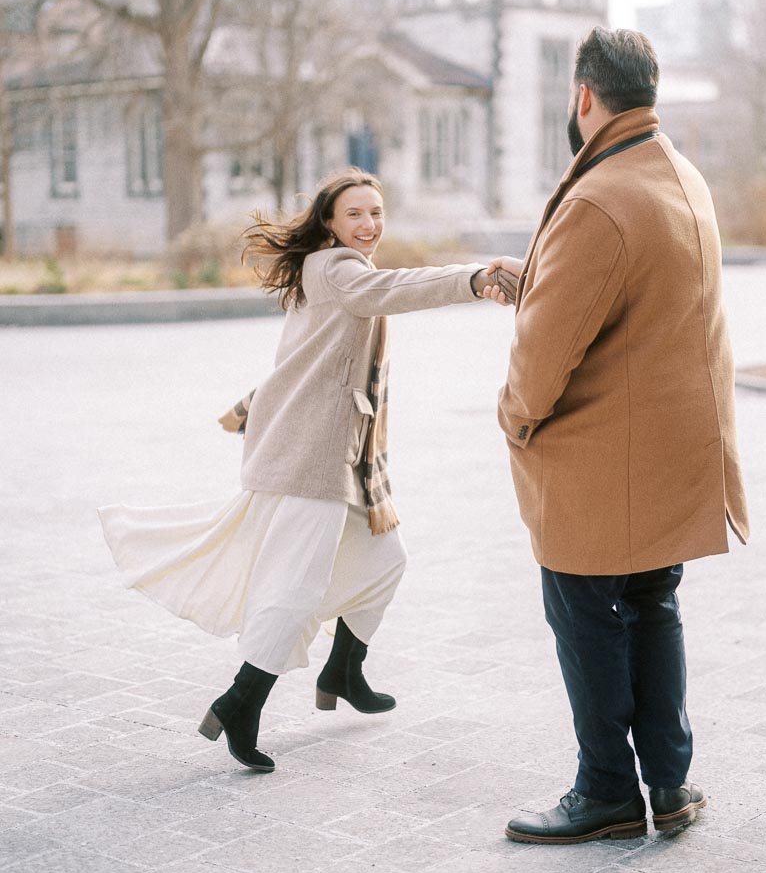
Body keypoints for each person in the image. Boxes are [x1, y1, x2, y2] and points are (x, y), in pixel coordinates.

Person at [100, 167, 516, 774]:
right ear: (329, 222)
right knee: (294, 587)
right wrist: (474, 278)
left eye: (377, 213)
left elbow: (305, 355)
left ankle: (343, 670)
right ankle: (241, 703)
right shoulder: (337, 269)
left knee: (384, 561)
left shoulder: (329, 269)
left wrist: (253, 404)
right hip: (313, 457)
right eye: (355, 214)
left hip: (339, 454)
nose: (369, 225)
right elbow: (397, 289)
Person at [484, 28, 749, 843]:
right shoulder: (680, 176)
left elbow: (544, 353)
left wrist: (516, 418)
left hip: (602, 457)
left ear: (584, 96)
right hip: (669, 449)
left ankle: (604, 790)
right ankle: (669, 784)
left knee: (585, 612)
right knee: (651, 604)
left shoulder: (601, 195)